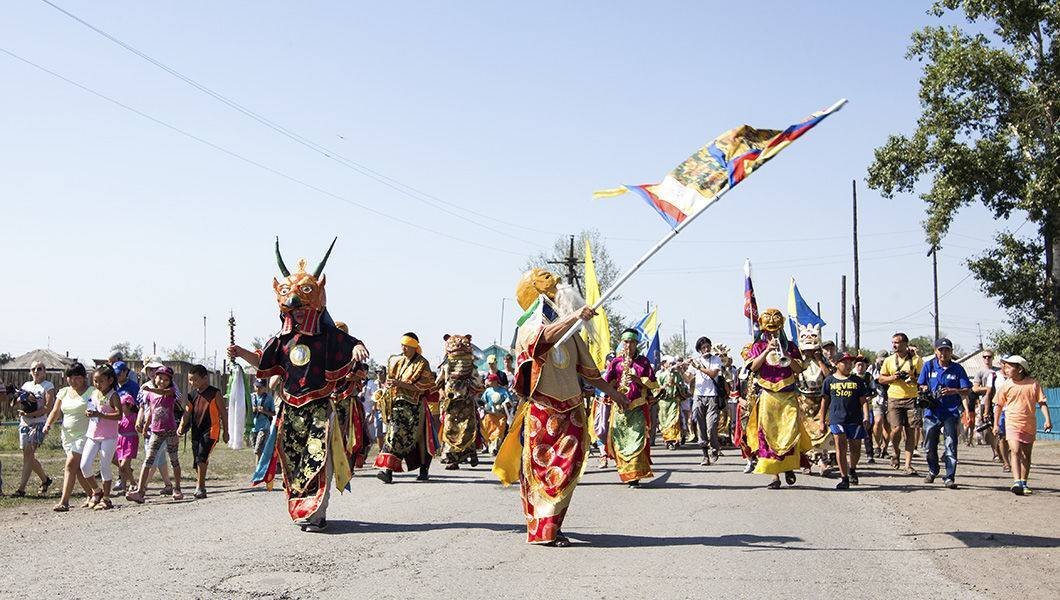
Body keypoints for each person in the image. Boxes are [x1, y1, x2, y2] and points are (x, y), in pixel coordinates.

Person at [230, 238, 369, 532]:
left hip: (319, 409)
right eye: (293, 310)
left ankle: (317, 512)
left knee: (318, 461)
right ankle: (302, 507)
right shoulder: (282, 340)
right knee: (293, 462)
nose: (297, 313)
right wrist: (241, 353)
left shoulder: (329, 337)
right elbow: (264, 362)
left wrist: (357, 348)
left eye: (303, 307)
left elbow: (352, 344)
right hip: (290, 412)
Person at [493, 268, 626, 546]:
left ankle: (553, 526)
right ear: (539, 293)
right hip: (544, 411)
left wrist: (618, 396)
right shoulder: (530, 325)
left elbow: (591, 373)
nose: (561, 287)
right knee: (543, 472)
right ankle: (544, 530)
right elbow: (541, 340)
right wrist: (575, 316)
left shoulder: (572, 333)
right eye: (552, 285)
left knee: (567, 471)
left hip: (572, 411)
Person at [746, 308, 812, 489]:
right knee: (768, 435)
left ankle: (789, 466)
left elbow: (799, 370)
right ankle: (775, 476)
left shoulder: (790, 345)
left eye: (775, 329)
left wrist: (788, 355)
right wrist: (767, 350)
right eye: (769, 330)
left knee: (790, 432)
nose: (772, 332)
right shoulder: (758, 346)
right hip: (768, 395)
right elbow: (753, 367)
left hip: (788, 394)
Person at [374, 333, 437, 482]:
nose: (403, 348)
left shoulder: (422, 363)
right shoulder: (398, 360)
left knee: (421, 439)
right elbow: (392, 380)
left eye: (407, 346)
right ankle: (387, 471)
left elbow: (425, 386)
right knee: (393, 435)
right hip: (398, 405)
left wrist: (400, 384)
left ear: (414, 347)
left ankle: (424, 470)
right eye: (402, 345)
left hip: (416, 407)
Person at [603, 328, 657, 487]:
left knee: (637, 441)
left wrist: (637, 379)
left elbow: (653, 383)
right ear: (622, 342)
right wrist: (611, 392)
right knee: (620, 441)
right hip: (619, 408)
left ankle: (635, 476)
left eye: (632, 342)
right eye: (626, 341)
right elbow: (608, 383)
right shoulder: (616, 362)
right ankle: (625, 473)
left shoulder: (643, 362)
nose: (629, 345)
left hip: (637, 407)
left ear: (637, 343)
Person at [917, 338, 972, 489]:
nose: (944, 353)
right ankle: (933, 470)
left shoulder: (957, 369)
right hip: (932, 411)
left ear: (951, 352)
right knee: (929, 445)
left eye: (947, 350)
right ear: (935, 351)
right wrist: (925, 390)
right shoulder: (929, 366)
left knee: (950, 444)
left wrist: (953, 391)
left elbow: (967, 389)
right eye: (941, 350)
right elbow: (921, 384)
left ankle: (949, 476)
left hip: (951, 412)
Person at [993, 355, 1052, 495]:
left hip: (1029, 424)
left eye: (1009, 367)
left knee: (1026, 454)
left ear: (1020, 369)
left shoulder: (1033, 384)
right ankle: (1016, 482)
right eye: (1005, 367)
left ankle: (1024, 482)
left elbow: (1042, 403)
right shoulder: (1006, 385)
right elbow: (998, 405)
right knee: (1015, 450)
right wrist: (995, 424)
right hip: (1012, 422)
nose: (1006, 370)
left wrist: (1047, 420)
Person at [126, 366, 185, 503]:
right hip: (155, 432)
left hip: (170, 431)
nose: (162, 381)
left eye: (166, 379)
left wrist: (150, 389)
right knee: (148, 460)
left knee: (174, 460)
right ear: (155, 378)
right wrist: (146, 426)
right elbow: (152, 412)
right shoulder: (151, 395)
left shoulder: (171, 391)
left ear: (170, 381)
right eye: (160, 378)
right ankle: (140, 492)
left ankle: (177, 488)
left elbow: (163, 392)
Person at [41, 363, 93, 511]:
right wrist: (48, 424)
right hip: (67, 436)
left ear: (83, 378)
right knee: (77, 469)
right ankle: (93, 494)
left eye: (77, 377)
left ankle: (64, 502)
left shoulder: (92, 392)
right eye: (70, 377)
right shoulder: (63, 392)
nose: (73, 381)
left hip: (85, 435)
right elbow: (55, 411)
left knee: (70, 464)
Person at [819, 354, 872, 490]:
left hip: (855, 419)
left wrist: (866, 416)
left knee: (855, 449)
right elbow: (824, 402)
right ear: (837, 364)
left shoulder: (857, 381)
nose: (849, 365)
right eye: (845, 363)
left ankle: (852, 469)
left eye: (850, 363)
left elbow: (863, 401)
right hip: (837, 419)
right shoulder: (829, 381)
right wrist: (821, 421)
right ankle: (844, 478)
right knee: (840, 448)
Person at [877, 333, 924, 475]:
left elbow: (922, 381)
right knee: (896, 429)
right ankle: (895, 451)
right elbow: (880, 379)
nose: (894, 345)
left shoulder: (916, 360)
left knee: (910, 431)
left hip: (912, 398)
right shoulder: (889, 360)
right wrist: (893, 377)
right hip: (894, 398)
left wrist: (912, 378)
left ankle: (908, 464)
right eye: (893, 342)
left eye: (897, 342)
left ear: (905, 344)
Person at [437, 334, 484, 469]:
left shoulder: (471, 366)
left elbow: (478, 384)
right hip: (451, 403)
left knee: (467, 429)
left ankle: (471, 453)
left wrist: (471, 388)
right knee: (451, 430)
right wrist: (442, 392)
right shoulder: (446, 366)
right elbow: (439, 382)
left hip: (466, 402)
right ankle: (453, 460)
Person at [80, 364, 123, 510]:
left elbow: (119, 415)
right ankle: (97, 491)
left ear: (110, 380)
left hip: (109, 436)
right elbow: (92, 406)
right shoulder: (94, 393)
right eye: (95, 381)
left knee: (105, 466)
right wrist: (89, 412)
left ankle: (106, 498)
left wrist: (101, 415)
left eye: (100, 381)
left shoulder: (113, 395)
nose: (97, 384)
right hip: (93, 434)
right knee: (84, 465)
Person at [794, 323, 834, 475]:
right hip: (803, 399)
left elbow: (829, 377)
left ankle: (823, 462)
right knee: (804, 432)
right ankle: (806, 462)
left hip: (821, 399)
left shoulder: (823, 361)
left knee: (823, 431)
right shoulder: (799, 361)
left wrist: (819, 359)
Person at [186, 364, 229, 499]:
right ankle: (200, 482)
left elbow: (223, 413)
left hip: (211, 430)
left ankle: (201, 487)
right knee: (198, 459)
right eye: (190, 380)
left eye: (195, 380)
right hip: (196, 431)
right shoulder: (192, 395)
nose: (193, 383)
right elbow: (187, 413)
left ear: (205, 378)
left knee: (201, 457)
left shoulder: (214, 393)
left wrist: (226, 431)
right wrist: (181, 427)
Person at [13, 360, 54, 498]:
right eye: (34, 369)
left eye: (40, 368)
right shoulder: (26, 385)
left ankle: (21, 489)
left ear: (45, 371)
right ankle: (45, 480)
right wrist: (22, 399)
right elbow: (17, 400)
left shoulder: (48, 386)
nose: (36, 371)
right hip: (24, 422)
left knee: (29, 453)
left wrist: (31, 412)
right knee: (27, 455)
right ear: (30, 371)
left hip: (39, 423)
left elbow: (48, 407)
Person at [135, 358, 175, 495]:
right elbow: (144, 406)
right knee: (158, 458)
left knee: (153, 458)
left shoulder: (171, 386)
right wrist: (141, 422)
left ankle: (142, 487)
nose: (152, 372)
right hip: (152, 427)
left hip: (167, 428)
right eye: (150, 369)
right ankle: (168, 485)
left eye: (155, 369)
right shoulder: (145, 388)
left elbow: (177, 398)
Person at [686, 337, 723, 466]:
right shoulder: (695, 361)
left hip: (712, 396)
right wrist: (679, 370)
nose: (706, 349)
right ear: (699, 350)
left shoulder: (716, 359)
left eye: (708, 346)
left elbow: (713, 374)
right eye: (703, 348)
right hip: (698, 396)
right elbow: (687, 379)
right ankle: (705, 455)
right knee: (700, 426)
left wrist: (699, 367)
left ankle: (714, 447)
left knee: (711, 426)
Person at [656, 357, 690, 450]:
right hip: (663, 402)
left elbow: (683, 386)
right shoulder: (661, 375)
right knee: (664, 423)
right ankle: (667, 439)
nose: (672, 365)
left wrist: (676, 385)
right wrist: (664, 386)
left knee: (674, 421)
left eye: (673, 363)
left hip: (674, 401)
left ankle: (673, 440)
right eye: (670, 363)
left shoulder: (677, 375)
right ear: (665, 364)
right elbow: (655, 389)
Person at [972, 350, 1002, 458]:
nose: (987, 359)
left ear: (993, 358)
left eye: (989, 357)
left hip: (999, 402)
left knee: (1000, 426)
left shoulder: (999, 371)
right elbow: (975, 388)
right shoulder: (980, 372)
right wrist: (989, 388)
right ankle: (996, 452)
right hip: (985, 402)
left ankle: (1002, 450)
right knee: (989, 428)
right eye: (984, 357)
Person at [480, 373, 512, 455]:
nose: (488, 381)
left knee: (499, 432)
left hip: (500, 416)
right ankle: (491, 446)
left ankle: (495, 448)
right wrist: (484, 406)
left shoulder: (503, 390)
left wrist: (504, 404)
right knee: (488, 432)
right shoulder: (487, 391)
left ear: (495, 381)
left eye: (490, 380)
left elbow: (509, 400)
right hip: (490, 415)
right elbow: (483, 401)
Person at [853, 356, 876, 464]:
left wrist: (869, 397)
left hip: (867, 407)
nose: (860, 367)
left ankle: (870, 454)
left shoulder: (868, 377)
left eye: (862, 365)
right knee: (853, 432)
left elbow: (874, 390)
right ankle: (853, 454)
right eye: (858, 364)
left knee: (867, 431)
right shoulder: (851, 377)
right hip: (854, 408)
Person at [869, 351, 890, 461]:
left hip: (891, 398)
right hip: (877, 399)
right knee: (878, 421)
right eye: (881, 360)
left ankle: (884, 449)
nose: (882, 362)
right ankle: (877, 445)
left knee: (888, 426)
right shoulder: (872, 368)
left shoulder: (892, 366)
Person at [250, 379, 275, 463]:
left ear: (265, 388)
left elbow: (273, 413)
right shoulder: (251, 397)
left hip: (264, 426)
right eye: (256, 386)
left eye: (260, 387)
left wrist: (264, 411)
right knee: (255, 449)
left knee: (258, 450)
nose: (258, 389)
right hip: (253, 427)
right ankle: (264, 466)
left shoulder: (269, 398)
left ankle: (257, 471)